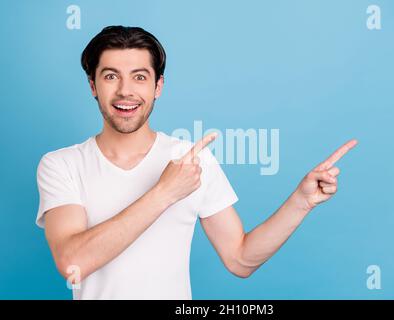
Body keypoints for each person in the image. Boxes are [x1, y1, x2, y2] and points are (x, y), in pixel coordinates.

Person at [36, 25, 358, 300]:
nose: (125, 91)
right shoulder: (61, 165)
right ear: (93, 86)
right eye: (110, 76)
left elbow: (240, 259)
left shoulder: (192, 159)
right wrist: (164, 192)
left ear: (158, 87)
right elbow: (72, 262)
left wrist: (301, 202)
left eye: (139, 77)